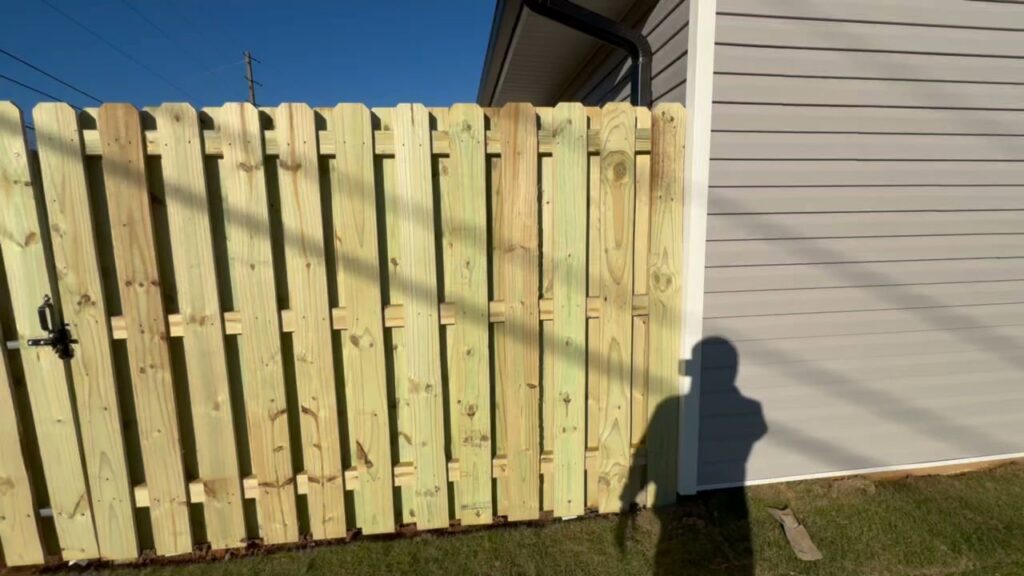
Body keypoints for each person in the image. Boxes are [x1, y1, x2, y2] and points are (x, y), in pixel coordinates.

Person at [617, 336, 766, 575]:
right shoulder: (751, 407)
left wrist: (629, 493)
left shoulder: (671, 404)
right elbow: (759, 430)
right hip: (731, 486)